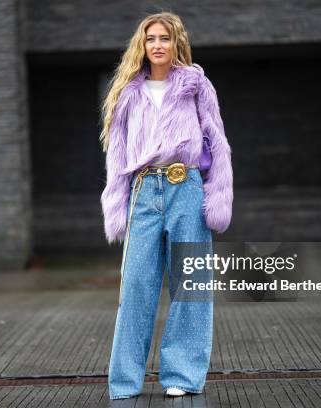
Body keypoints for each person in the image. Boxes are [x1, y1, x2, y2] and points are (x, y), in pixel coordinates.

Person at [99, 11, 233, 400]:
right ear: (141, 45)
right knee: (137, 286)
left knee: (190, 285)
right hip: (144, 189)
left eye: (164, 38)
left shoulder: (195, 83)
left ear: (177, 43)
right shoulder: (127, 93)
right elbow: (117, 154)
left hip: (186, 188)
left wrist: (217, 196)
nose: (157, 45)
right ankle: (125, 381)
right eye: (151, 38)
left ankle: (183, 376)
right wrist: (117, 203)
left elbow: (218, 142)